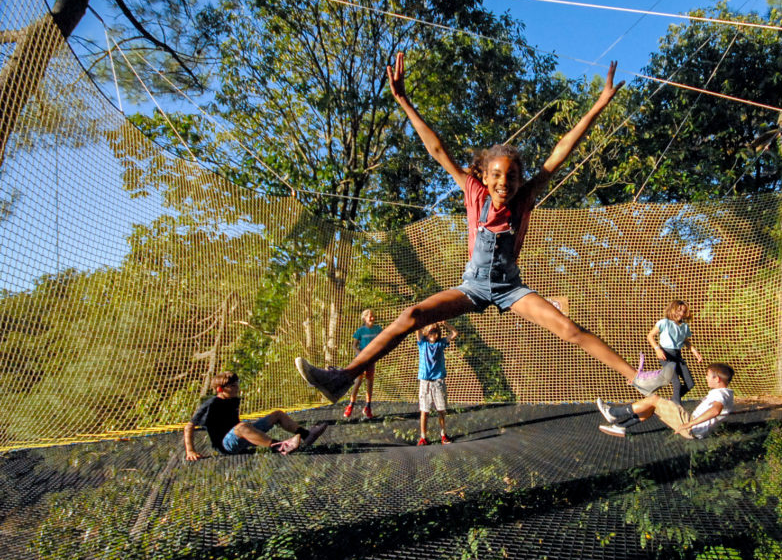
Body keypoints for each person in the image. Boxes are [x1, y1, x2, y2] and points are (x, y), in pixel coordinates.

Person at [294, 52, 672, 404]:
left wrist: (599, 104)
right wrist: (404, 101)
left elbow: (561, 151)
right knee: (411, 317)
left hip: (510, 287)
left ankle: (636, 377)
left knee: (566, 327)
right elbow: (437, 149)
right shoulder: (472, 191)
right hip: (472, 286)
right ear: (484, 177)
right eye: (496, 175)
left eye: (511, 176)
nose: (504, 182)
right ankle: (341, 378)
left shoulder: (525, 197)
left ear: (520, 179)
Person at [184, 371, 328, 459]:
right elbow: (189, 426)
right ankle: (281, 447)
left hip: (242, 436)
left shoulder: (233, 400)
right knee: (242, 427)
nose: (237, 388)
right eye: (232, 386)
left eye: (237, 384)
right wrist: (190, 451)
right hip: (226, 445)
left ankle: (306, 435)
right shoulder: (211, 405)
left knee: (277, 414)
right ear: (220, 389)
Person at [596, 362, 735, 439]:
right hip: (691, 424)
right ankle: (621, 427)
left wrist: (688, 424)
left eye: (708, 376)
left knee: (654, 399)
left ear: (717, 379)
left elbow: (715, 410)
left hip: (691, 426)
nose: (706, 378)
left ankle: (612, 413)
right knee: (652, 406)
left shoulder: (721, 394)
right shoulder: (724, 393)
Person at [647, 299, 703, 406]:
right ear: (672, 309)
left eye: (683, 311)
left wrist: (696, 353)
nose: (681, 314)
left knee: (690, 384)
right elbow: (650, 336)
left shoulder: (684, 326)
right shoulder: (664, 322)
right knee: (676, 382)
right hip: (665, 355)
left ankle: (672, 400)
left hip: (677, 356)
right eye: (679, 310)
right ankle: (676, 405)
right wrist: (657, 349)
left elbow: (686, 341)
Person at [416, 321, 458, 445]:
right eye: (430, 332)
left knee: (441, 410)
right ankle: (423, 437)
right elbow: (417, 329)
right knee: (424, 411)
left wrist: (445, 324)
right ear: (426, 333)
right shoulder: (422, 344)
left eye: (435, 332)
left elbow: (455, 333)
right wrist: (424, 318)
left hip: (438, 381)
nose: (432, 334)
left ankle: (443, 434)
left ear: (438, 333)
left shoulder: (440, 344)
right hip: (425, 381)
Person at [347, 308, 383, 419]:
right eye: (369, 316)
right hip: (361, 359)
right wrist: (360, 353)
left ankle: (368, 407)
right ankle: (351, 405)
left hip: (371, 359)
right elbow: (354, 345)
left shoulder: (378, 329)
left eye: (373, 316)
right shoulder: (361, 331)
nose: (372, 318)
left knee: (370, 382)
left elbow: (383, 341)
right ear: (364, 318)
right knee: (358, 381)